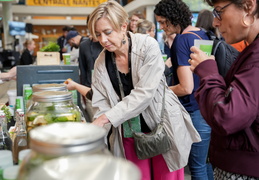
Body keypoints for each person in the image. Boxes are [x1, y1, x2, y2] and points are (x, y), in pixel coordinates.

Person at [85, 1, 200, 180]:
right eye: (98, 35)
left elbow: (144, 93)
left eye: (107, 32)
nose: (103, 40)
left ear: (123, 27)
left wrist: (105, 118)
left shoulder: (148, 46)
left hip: (162, 126)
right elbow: (101, 104)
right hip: (129, 133)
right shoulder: (101, 63)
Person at [188, 0, 259, 179]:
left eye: (219, 12)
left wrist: (208, 72)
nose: (215, 22)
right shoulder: (251, 52)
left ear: (249, 7)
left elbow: (228, 116)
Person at [154, 0, 214, 179]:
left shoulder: (181, 40)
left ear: (174, 18)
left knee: (197, 168)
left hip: (193, 111)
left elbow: (186, 87)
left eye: (164, 22)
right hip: (207, 106)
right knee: (205, 164)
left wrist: (159, 92)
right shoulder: (202, 34)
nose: (162, 27)